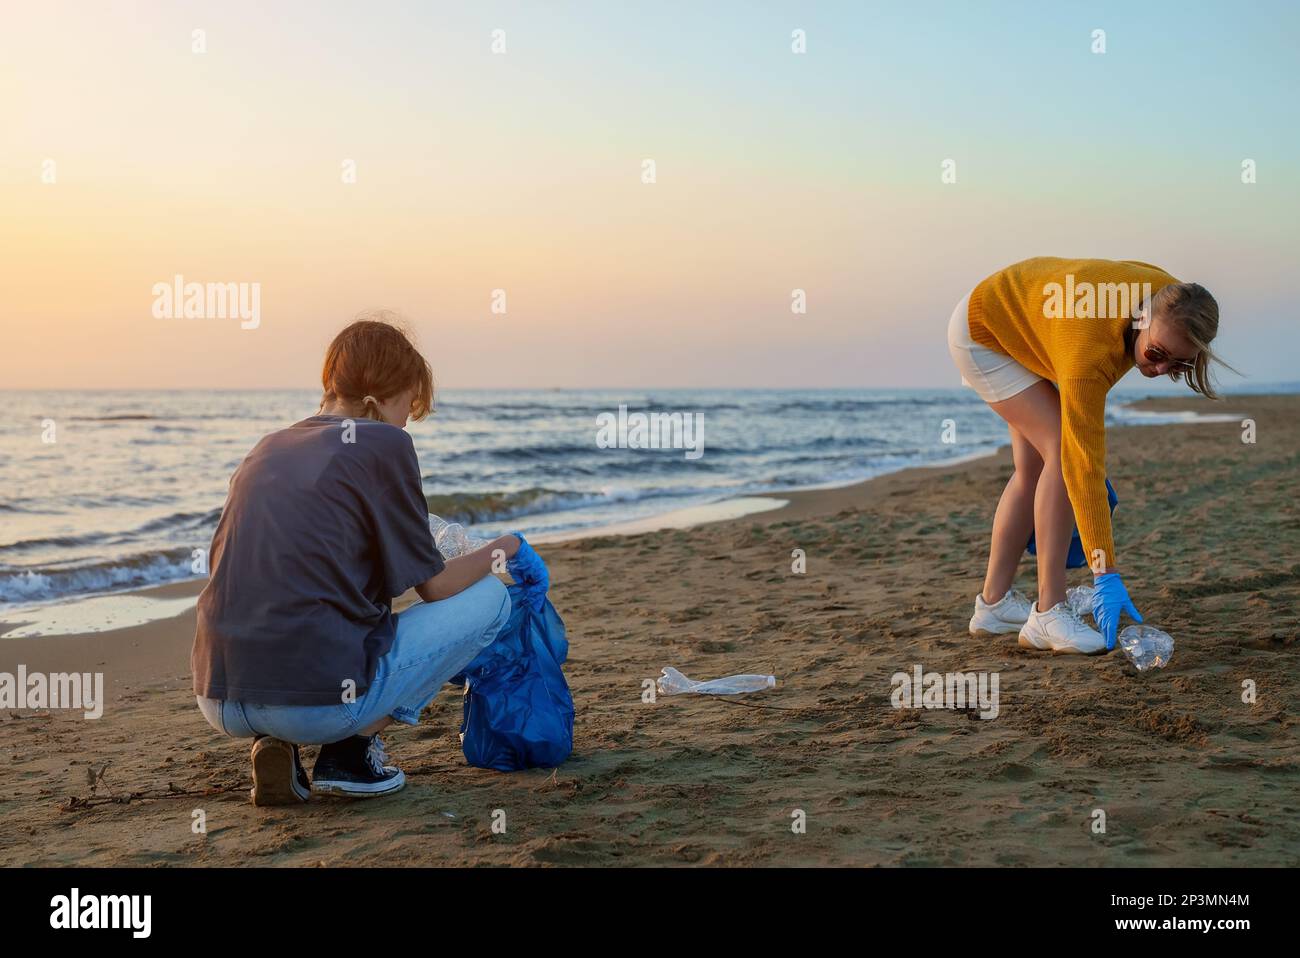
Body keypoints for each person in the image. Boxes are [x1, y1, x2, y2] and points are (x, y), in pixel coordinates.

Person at [191, 316, 550, 805]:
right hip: (318, 705)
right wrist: (507, 546)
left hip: (218, 696)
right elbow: (436, 588)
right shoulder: (384, 442)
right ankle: (350, 752)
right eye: (408, 405)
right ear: (381, 398)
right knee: (490, 596)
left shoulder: (267, 447)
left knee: (322, 621)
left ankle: (278, 746)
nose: (407, 422)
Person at [948, 257, 1228, 654]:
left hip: (1027, 322)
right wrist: (1105, 572)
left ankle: (992, 606)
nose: (1161, 367)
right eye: (1156, 353)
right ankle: (1048, 613)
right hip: (985, 333)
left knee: (1032, 469)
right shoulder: (1089, 355)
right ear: (1143, 317)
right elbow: (1084, 463)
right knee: (1061, 453)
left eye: (1180, 363)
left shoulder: (1177, 301)